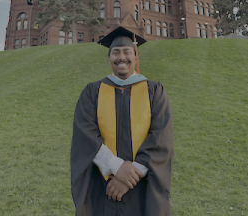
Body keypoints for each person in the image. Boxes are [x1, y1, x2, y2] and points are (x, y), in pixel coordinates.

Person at [71, 26, 174, 216]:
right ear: (109, 58)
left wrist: (130, 175)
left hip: (142, 186)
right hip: (103, 186)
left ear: (135, 56)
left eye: (127, 52)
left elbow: (161, 136)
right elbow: (85, 134)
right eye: (115, 53)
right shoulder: (92, 92)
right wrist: (116, 166)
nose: (121, 58)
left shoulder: (154, 92)